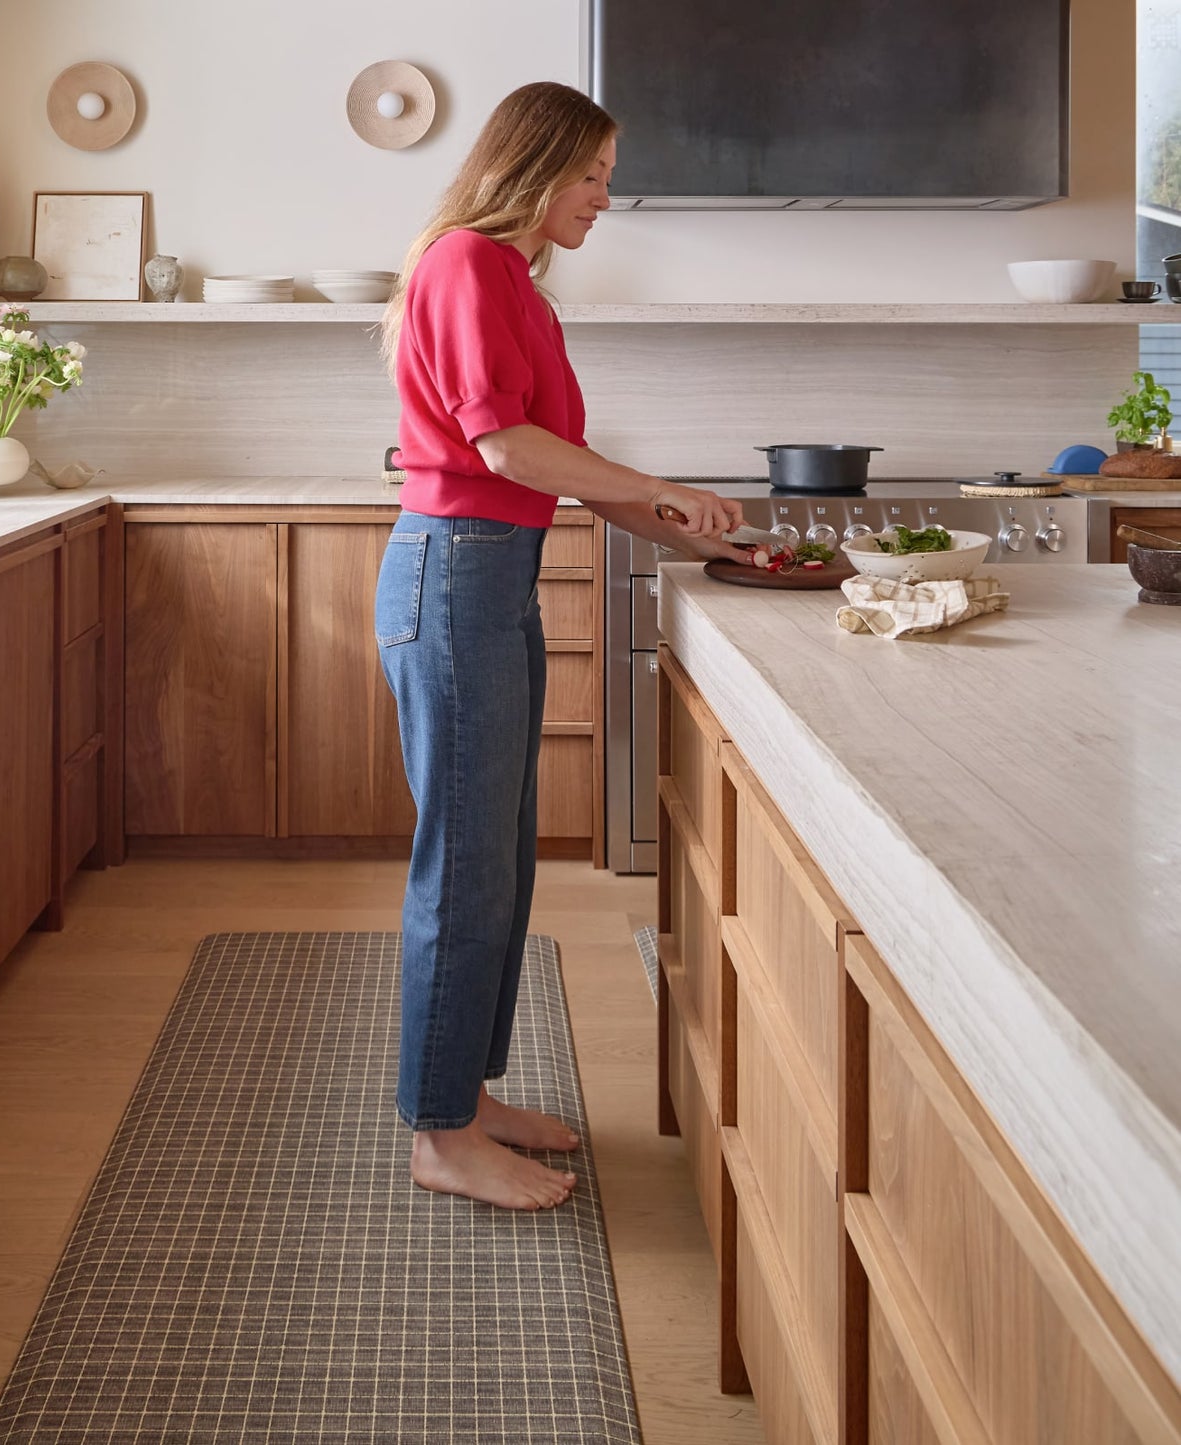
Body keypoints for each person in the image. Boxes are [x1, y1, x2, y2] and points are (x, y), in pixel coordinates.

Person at [375, 80, 747, 1211]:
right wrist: (652, 488)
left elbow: (557, 461)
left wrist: (685, 522)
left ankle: (466, 1094)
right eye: (589, 174)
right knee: (464, 860)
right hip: (456, 572)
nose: (602, 196)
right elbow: (503, 446)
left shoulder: (510, 282)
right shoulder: (464, 265)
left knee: (500, 854)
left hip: (491, 572)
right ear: (532, 168)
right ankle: (437, 1132)